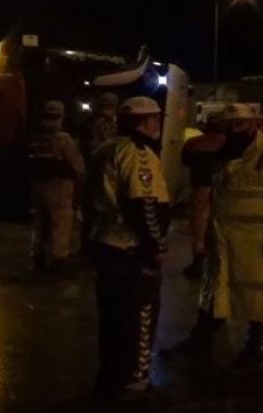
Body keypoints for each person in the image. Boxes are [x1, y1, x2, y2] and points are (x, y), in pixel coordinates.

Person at [161, 103, 263, 373]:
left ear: (254, 124)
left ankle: (256, 349)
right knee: (213, 294)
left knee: (256, 298)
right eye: (229, 126)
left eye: (240, 125)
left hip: (254, 243)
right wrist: (202, 237)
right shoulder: (221, 153)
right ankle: (199, 340)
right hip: (221, 238)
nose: (234, 130)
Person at [87, 96, 170, 400]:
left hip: (105, 241)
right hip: (129, 246)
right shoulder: (138, 153)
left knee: (112, 318)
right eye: (155, 119)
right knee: (139, 316)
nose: (158, 124)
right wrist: (156, 246)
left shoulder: (105, 148)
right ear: (145, 122)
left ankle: (110, 379)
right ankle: (135, 384)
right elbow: (144, 204)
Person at [27, 100, 84, 274]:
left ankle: (39, 256)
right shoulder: (61, 137)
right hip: (58, 186)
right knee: (60, 223)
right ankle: (58, 260)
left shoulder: (35, 136)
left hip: (38, 185)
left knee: (41, 222)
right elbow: (76, 163)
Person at [179, 111, 225, 279]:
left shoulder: (193, 142)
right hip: (222, 186)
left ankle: (198, 261)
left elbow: (185, 160)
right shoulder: (228, 142)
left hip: (200, 185)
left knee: (199, 222)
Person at [79, 92, 119, 255]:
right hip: (99, 172)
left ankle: (86, 247)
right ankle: (94, 249)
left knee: (88, 212)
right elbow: (108, 146)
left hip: (88, 170)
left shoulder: (89, 120)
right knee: (100, 212)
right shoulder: (106, 123)